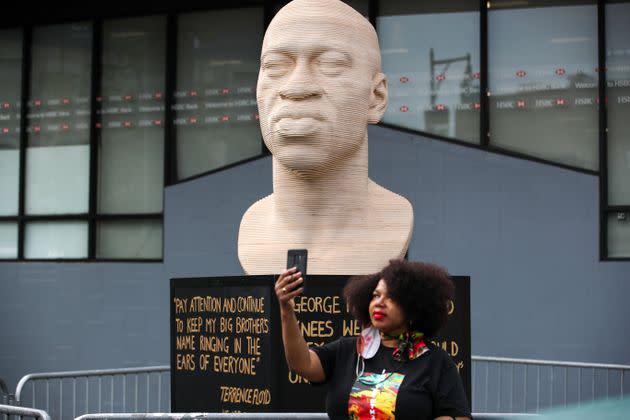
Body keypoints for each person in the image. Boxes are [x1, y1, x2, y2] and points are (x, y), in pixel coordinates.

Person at [238, 0, 413, 276]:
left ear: (376, 97)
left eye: (331, 64)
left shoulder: (396, 220)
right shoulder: (251, 227)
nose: (296, 87)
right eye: (275, 66)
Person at [275, 259, 471, 420]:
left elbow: (457, 416)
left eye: (392, 297)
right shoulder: (348, 350)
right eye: (375, 295)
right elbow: (302, 364)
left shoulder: (435, 362)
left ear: (414, 309)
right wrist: (286, 309)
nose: (379, 303)